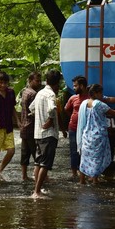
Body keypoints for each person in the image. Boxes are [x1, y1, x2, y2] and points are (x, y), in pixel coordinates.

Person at [64, 75, 115, 179]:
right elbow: (113, 112)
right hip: (90, 132)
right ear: (95, 93)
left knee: (84, 156)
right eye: (100, 93)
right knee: (92, 157)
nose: (73, 88)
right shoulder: (97, 103)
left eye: (75, 85)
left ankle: (83, 179)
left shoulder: (86, 102)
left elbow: (108, 99)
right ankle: (91, 178)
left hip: (85, 132)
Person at [29, 69, 66, 198]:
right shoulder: (50, 94)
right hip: (48, 134)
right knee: (45, 163)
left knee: (38, 162)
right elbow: (52, 109)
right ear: (57, 84)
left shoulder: (39, 93)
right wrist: (50, 120)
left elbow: (31, 108)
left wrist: (39, 117)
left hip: (38, 133)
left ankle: (37, 189)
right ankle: (37, 192)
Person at [0, 71, 21, 185]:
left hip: (8, 127)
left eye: (5, 83)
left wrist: (17, 120)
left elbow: (12, 108)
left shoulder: (11, 92)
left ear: (7, 83)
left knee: (11, 151)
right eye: (0, 82)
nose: (2, 85)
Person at [20, 71, 42, 181]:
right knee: (37, 153)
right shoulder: (33, 94)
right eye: (37, 81)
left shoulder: (25, 92)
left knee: (25, 153)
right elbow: (35, 112)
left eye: (39, 81)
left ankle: (24, 176)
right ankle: (42, 176)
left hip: (24, 126)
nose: (39, 83)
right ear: (30, 81)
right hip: (32, 127)